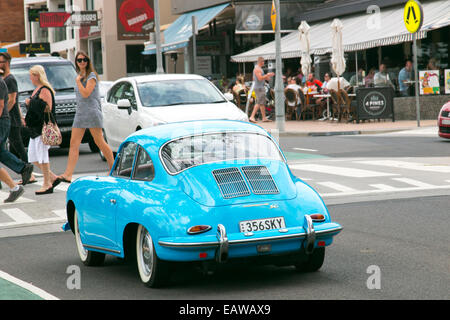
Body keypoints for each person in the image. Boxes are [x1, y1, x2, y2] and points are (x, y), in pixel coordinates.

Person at [54, 51, 114, 186]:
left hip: (92, 112)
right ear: (76, 62)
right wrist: (78, 79)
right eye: (79, 60)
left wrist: (78, 81)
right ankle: (68, 174)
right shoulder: (79, 75)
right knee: (73, 144)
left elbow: (86, 93)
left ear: (88, 61)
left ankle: (112, 169)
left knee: (100, 142)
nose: (82, 62)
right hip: (80, 113)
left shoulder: (91, 76)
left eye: (84, 60)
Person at [0, 52, 37, 184]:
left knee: (18, 146)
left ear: (6, 63)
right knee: (7, 149)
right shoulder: (5, 79)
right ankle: (24, 170)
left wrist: (7, 115)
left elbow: (12, 100)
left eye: (1, 62)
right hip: (9, 117)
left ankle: (27, 171)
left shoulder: (9, 79)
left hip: (9, 118)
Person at [24, 65, 59, 195]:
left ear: (37, 75)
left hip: (42, 128)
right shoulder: (37, 90)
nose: (30, 78)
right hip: (34, 128)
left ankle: (47, 183)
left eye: (31, 75)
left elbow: (47, 108)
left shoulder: (45, 90)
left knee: (43, 156)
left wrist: (30, 103)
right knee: (33, 157)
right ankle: (52, 177)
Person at [0, 70, 31, 202]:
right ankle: (16, 184)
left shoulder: (0, 83)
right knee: (1, 152)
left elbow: (1, 105)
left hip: (1, 121)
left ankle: (22, 170)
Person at [249, 57, 274, 123]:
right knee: (259, 102)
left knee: (262, 103)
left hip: (259, 87)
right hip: (259, 88)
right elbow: (260, 78)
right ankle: (252, 116)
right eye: (263, 62)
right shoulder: (257, 69)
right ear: (261, 62)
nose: (264, 63)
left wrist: (266, 78)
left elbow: (256, 78)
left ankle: (264, 118)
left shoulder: (258, 69)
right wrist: (267, 75)